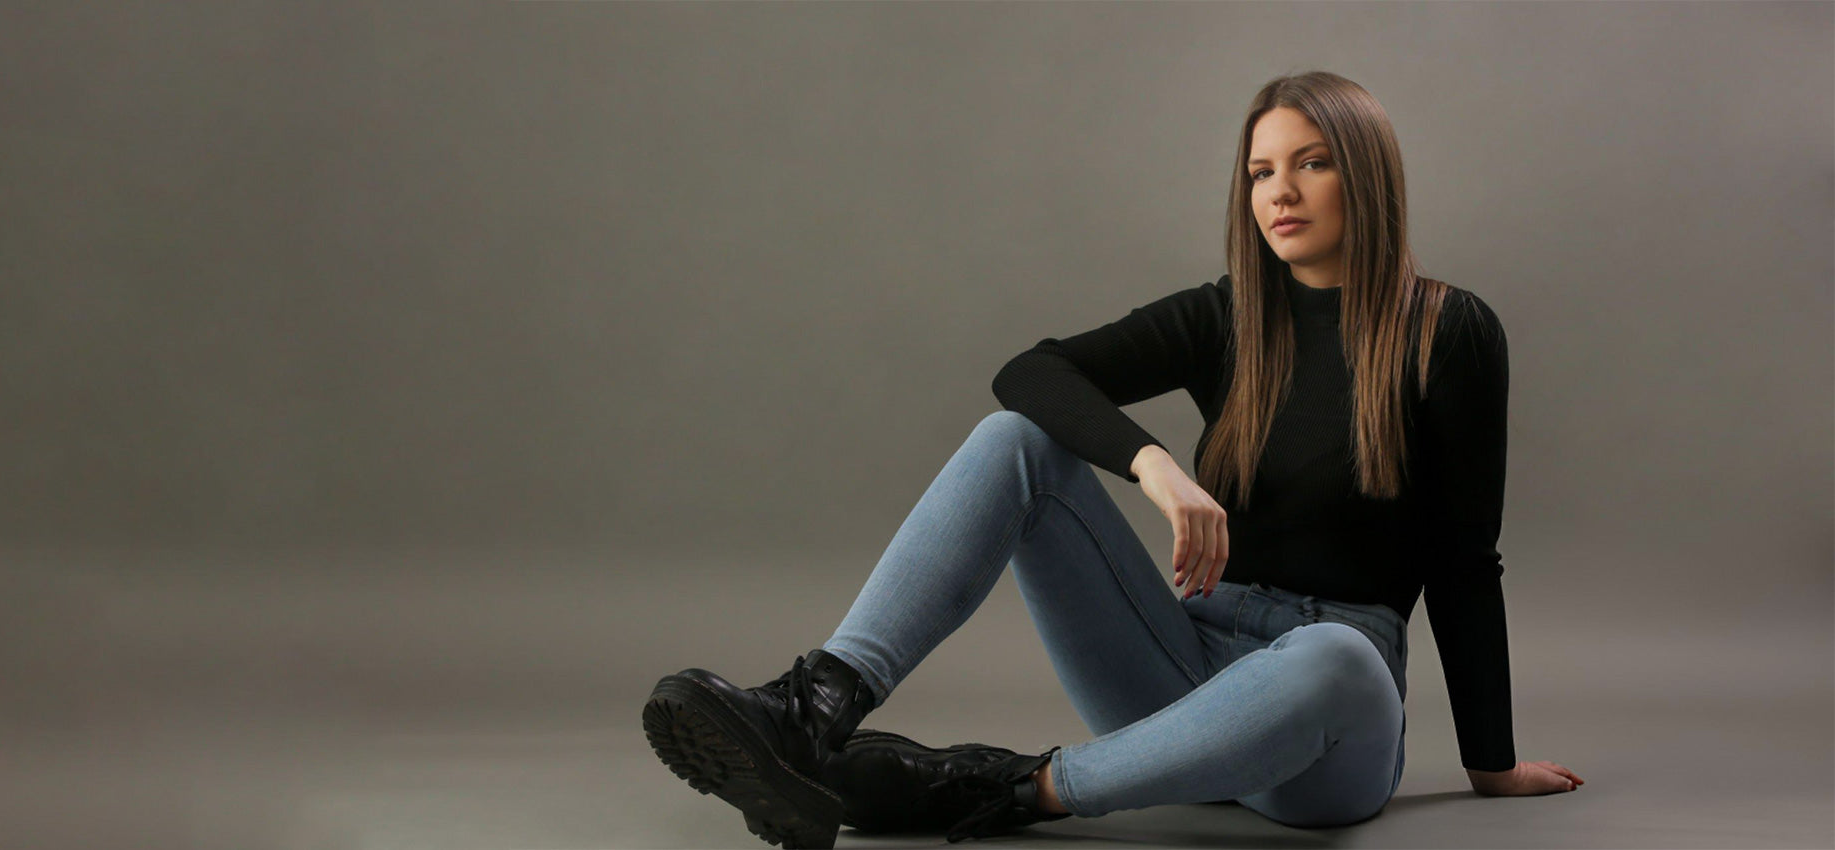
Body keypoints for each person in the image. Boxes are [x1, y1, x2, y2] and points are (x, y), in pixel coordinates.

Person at [641, 70, 1585, 850]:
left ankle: (1005, 790)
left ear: (1367, 177)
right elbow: (1030, 372)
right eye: (1259, 172)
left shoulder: (1447, 332)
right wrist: (1154, 467)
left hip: (1324, 720)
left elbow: (1466, 563)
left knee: (1334, 657)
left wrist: (1491, 765)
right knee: (1014, 440)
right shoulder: (1232, 317)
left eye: (1312, 163)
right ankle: (812, 708)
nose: (1279, 193)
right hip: (1182, 664)